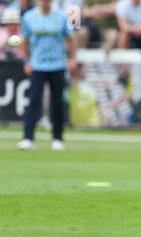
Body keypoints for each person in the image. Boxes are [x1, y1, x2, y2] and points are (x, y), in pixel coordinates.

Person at [17, 0, 77, 151]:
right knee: (34, 100)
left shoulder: (62, 17)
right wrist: (27, 61)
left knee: (57, 102)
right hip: (37, 64)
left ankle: (58, 138)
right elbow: (24, 40)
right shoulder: (29, 17)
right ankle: (28, 138)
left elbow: (72, 39)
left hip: (57, 65)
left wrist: (72, 58)